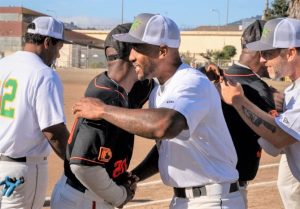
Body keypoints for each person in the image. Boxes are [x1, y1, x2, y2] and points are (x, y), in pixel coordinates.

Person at [72, 13, 245, 209]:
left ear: (163, 51)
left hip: (211, 200)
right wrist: (137, 174)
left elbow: (164, 125)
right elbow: (168, 146)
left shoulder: (191, 82)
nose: (131, 56)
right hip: (187, 199)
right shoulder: (161, 90)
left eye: (138, 48)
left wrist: (102, 110)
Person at [50, 23, 154, 209]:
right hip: (84, 199)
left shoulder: (119, 85)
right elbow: (83, 165)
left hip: (88, 195)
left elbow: (158, 82)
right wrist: (120, 195)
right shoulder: (105, 97)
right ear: (132, 55)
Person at [219, 17, 300, 209]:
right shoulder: (292, 91)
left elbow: (280, 137)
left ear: (290, 53)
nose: (262, 59)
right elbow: (277, 145)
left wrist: (239, 101)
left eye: (268, 53)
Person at [0, 16, 70, 208]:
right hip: (22, 170)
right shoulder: (44, 74)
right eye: (59, 47)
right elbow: (54, 132)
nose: (57, 54)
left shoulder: (4, 65)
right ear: (47, 42)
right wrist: (77, 164)